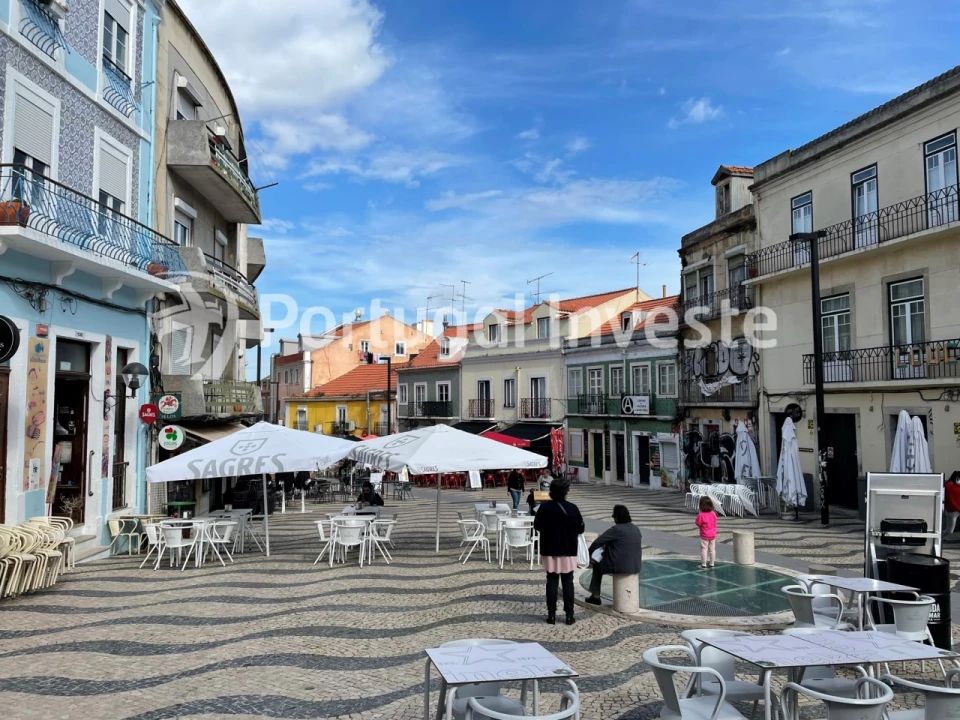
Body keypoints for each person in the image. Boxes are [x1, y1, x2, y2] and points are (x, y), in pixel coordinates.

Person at [533, 478, 584, 625]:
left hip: (549, 548)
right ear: (566, 492)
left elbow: (537, 526)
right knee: (568, 581)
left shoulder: (544, 508)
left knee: (552, 580)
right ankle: (569, 615)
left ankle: (551, 615)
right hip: (568, 549)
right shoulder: (572, 508)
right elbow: (580, 528)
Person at [585, 505, 642, 605]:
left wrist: (588, 553)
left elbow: (597, 542)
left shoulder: (616, 529)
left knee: (597, 567)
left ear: (616, 517)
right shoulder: (635, 528)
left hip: (619, 565)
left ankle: (595, 596)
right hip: (636, 565)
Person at [696, 496, 718, 568]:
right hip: (713, 535)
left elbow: (698, 523)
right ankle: (712, 563)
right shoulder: (713, 513)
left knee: (704, 549)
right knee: (712, 549)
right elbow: (715, 522)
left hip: (704, 535)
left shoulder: (701, 515)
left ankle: (704, 564)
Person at [944, 472, 960, 536]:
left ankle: (943, 537)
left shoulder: (947, 485)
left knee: (948, 528)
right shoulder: (953, 486)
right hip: (955, 510)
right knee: (951, 529)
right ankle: (949, 539)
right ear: (956, 477)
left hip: (949, 508)